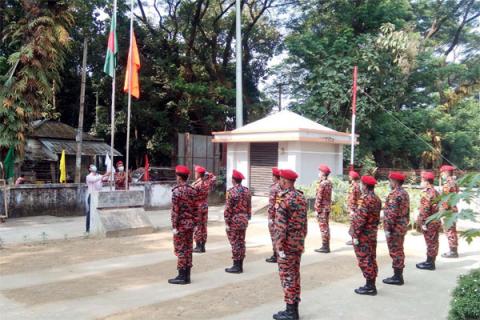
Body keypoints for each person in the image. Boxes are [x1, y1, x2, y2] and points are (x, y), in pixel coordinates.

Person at [272, 169, 307, 320]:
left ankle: (291, 312)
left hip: (286, 246)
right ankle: (292, 309)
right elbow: (304, 224)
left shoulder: (285, 199)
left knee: (287, 277)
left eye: (280, 179)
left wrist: (278, 247)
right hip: (297, 244)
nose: (279, 181)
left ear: (285, 181)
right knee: (294, 275)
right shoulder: (300, 197)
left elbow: (280, 227)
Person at [350, 175, 382, 296]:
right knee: (371, 257)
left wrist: (355, 235)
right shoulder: (377, 198)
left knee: (365, 258)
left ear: (365, 186)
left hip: (363, 234)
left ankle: (370, 286)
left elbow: (360, 219)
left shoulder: (365, 199)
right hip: (372, 233)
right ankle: (371, 283)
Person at [168, 165, 198, 285]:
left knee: (181, 250)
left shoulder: (177, 191)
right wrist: (195, 223)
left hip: (180, 225)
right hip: (190, 225)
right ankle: (187, 275)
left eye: (176, 175)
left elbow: (175, 211)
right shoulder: (192, 190)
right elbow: (196, 209)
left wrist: (174, 226)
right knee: (188, 249)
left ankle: (181, 276)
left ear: (179, 177)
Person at [382, 171, 410, 286]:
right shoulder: (404, 193)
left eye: (390, 180)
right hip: (402, 225)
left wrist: (387, 229)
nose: (390, 183)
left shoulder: (395, 194)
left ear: (395, 181)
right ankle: (398, 275)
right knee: (399, 250)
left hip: (394, 227)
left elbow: (391, 214)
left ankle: (397, 277)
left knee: (395, 251)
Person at [224, 169, 252, 274]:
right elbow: (249, 206)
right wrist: (248, 216)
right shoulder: (247, 191)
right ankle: (240, 264)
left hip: (234, 220)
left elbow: (228, 209)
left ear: (233, 180)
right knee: (241, 242)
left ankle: (236, 266)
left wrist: (227, 222)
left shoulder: (231, 192)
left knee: (235, 242)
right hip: (243, 219)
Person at [416, 171, 441, 271]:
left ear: (426, 182)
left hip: (429, 222)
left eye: (422, 180)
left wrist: (422, 222)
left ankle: (430, 264)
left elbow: (425, 209)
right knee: (433, 242)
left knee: (431, 242)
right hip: (434, 220)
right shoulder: (435, 191)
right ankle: (429, 261)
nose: (420, 182)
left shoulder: (428, 193)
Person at [191, 165, 216, 253]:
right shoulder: (207, 183)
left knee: (197, 226)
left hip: (197, 207)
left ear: (198, 173)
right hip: (204, 206)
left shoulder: (196, 185)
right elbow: (213, 176)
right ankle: (203, 246)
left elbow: (191, 197)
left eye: (195, 172)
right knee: (203, 227)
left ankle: (198, 246)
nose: (194, 173)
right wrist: (206, 173)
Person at [439, 165, 460, 258]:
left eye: (442, 173)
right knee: (452, 230)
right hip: (453, 208)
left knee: (450, 231)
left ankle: (453, 252)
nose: (441, 174)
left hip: (448, 210)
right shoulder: (454, 182)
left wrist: (442, 210)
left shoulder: (448, 183)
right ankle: (453, 250)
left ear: (446, 172)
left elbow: (446, 199)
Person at [314, 164, 332, 253]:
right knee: (326, 227)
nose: (318, 173)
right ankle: (326, 245)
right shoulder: (329, 183)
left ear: (323, 173)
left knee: (323, 227)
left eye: (320, 172)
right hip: (327, 207)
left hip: (322, 209)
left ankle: (325, 247)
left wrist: (317, 209)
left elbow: (319, 197)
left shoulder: (322, 184)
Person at [85, 164, 108, 233]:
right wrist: (104, 175)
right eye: (91, 166)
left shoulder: (99, 175)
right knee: (90, 213)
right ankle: (88, 229)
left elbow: (105, 178)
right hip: (91, 196)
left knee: (99, 212)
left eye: (94, 165)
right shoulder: (88, 177)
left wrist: (109, 173)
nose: (93, 167)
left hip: (98, 195)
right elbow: (94, 180)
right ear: (89, 169)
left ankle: (98, 227)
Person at [266, 167, 281, 263]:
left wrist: (270, 217)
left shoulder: (274, 188)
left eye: (272, 175)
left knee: (274, 236)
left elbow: (272, 204)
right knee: (280, 235)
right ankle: (280, 253)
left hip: (274, 216)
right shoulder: (283, 186)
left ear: (275, 177)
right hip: (281, 216)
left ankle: (275, 255)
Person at [346, 170, 361, 245]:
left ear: (352, 177)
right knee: (353, 223)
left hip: (354, 207)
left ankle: (355, 239)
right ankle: (354, 238)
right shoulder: (355, 185)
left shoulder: (355, 186)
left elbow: (353, 198)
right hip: (354, 207)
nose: (349, 176)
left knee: (354, 223)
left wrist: (352, 209)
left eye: (349, 175)